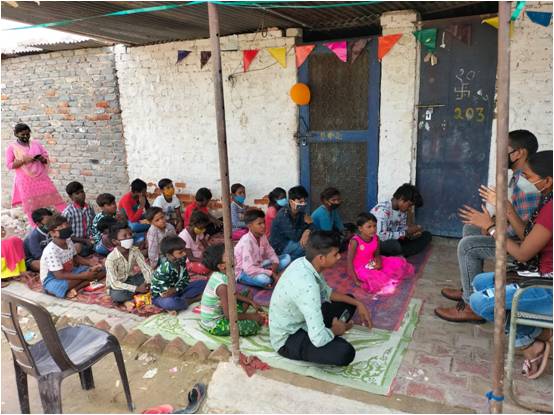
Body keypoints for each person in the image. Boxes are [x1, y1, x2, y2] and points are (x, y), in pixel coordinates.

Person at [456, 151, 552, 379]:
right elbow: (527, 236)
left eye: (528, 176)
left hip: (547, 286)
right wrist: (506, 207)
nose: (526, 181)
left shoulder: (552, 209)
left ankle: (530, 343)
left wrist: (490, 227)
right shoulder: (547, 200)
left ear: (547, 181)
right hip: (540, 272)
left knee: (479, 300)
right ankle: (539, 332)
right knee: (479, 282)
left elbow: (522, 252)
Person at [436, 130, 542, 321]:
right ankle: (468, 288)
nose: (500, 153)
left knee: (468, 247)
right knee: (470, 229)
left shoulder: (527, 185)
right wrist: (491, 223)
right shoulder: (518, 177)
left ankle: (471, 307)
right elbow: (518, 216)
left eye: (505, 149)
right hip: (517, 235)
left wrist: (493, 226)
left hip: (524, 248)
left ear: (519, 153)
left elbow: (527, 233)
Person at [269, 231, 372, 366]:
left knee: (349, 301)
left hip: (303, 319)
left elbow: (327, 294)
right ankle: (332, 330)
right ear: (321, 259)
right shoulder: (308, 287)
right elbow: (318, 339)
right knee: (345, 352)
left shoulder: (304, 263)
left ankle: (331, 327)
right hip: (288, 338)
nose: (339, 257)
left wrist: (359, 303)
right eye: (335, 254)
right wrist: (337, 330)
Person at [5, 123, 66, 226]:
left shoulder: (36, 144)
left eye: (27, 134)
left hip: (41, 177)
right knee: (31, 206)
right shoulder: (12, 148)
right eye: (22, 135)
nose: (25, 136)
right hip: (25, 180)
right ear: (16, 134)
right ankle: (35, 226)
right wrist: (23, 160)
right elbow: (9, 165)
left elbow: (45, 156)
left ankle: (66, 216)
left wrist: (42, 159)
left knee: (55, 197)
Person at [200, 243, 264, 336]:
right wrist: (252, 317)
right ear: (222, 266)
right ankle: (241, 316)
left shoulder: (223, 275)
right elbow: (228, 315)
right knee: (253, 325)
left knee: (247, 293)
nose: (233, 254)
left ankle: (240, 315)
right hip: (215, 325)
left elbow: (232, 294)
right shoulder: (222, 286)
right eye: (228, 255)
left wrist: (250, 301)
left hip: (224, 310)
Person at [347, 213, 414, 294]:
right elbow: (349, 261)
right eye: (369, 227)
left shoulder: (376, 238)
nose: (373, 229)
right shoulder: (355, 241)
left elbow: (377, 254)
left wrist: (379, 263)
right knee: (377, 280)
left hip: (372, 262)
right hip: (360, 267)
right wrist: (356, 280)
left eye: (375, 226)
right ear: (360, 228)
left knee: (398, 263)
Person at [40, 215, 104, 299]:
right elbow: (59, 275)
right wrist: (84, 276)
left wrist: (91, 263)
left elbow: (75, 257)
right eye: (61, 226)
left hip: (70, 272)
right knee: (63, 286)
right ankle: (84, 281)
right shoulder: (51, 251)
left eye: (66, 224)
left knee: (102, 271)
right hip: (53, 279)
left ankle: (76, 288)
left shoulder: (68, 240)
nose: (66, 227)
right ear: (53, 233)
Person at [234, 209, 291, 289]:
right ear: (250, 226)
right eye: (259, 224)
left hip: (259, 264)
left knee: (287, 257)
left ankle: (270, 275)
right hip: (244, 271)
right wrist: (271, 273)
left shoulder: (262, 236)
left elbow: (270, 251)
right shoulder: (247, 242)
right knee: (265, 280)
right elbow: (248, 269)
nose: (263, 226)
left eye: (263, 222)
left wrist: (275, 263)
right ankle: (243, 280)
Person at [370, 183, 431, 257]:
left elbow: (400, 228)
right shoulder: (382, 210)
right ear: (401, 199)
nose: (409, 208)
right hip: (377, 241)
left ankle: (401, 252)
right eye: (409, 205)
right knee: (394, 245)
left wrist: (411, 233)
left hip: (393, 237)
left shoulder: (402, 210)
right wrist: (405, 233)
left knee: (427, 235)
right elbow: (381, 236)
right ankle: (401, 252)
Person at [150, 236, 208, 312]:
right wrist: (176, 289)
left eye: (184, 250)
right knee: (171, 303)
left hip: (177, 290)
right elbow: (165, 294)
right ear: (169, 255)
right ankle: (192, 299)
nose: (184, 254)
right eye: (180, 252)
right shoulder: (163, 271)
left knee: (205, 283)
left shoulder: (181, 260)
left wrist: (176, 289)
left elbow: (185, 280)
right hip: (161, 297)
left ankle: (183, 300)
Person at [105, 222, 152, 308]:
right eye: (125, 236)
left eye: (130, 234)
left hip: (131, 279)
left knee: (153, 277)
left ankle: (136, 293)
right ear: (115, 241)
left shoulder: (134, 250)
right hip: (118, 286)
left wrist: (147, 282)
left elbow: (145, 268)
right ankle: (128, 298)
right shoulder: (111, 258)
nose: (129, 237)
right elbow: (114, 283)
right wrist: (137, 289)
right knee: (117, 295)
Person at [269, 185, 314, 261]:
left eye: (305, 201)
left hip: (291, 242)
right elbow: (295, 236)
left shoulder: (300, 211)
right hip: (280, 247)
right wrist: (306, 225)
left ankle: (294, 261)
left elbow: (312, 225)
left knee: (312, 239)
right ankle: (285, 263)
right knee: (307, 245)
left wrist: (307, 231)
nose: (303, 204)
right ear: (291, 201)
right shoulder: (283, 215)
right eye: (300, 202)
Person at [62, 181, 96, 257]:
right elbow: (65, 235)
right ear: (71, 197)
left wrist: (92, 238)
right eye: (77, 193)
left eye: (82, 192)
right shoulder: (68, 212)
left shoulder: (90, 208)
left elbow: (93, 225)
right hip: (75, 243)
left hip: (89, 240)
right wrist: (85, 240)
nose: (82, 195)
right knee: (78, 247)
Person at [179, 211, 211, 275]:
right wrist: (206, 261)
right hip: (188, 261)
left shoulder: (199, 231)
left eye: (204, 227)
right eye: (201, 228)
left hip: (199, 256)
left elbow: (206, 246)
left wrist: (212, 255)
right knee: (204, 268)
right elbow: (190, 258)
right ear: (193, 224)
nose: (203, 229)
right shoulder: (184, 236)